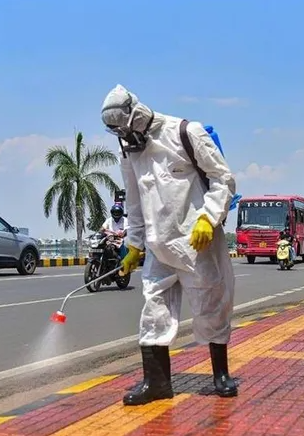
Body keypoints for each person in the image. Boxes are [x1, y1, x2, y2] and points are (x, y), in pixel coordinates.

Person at [101, 84, 238, 406]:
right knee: (153, 312)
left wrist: (208, 217)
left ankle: (220, 375)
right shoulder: (129, 151)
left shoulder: (186, 133)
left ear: (137, 114)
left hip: (197, 241)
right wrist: (133, 245)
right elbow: (134, 200)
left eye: (125, 127)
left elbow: (223, 179)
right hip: (157, 245)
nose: (125, 136)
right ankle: (156, 382)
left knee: (211, 307)